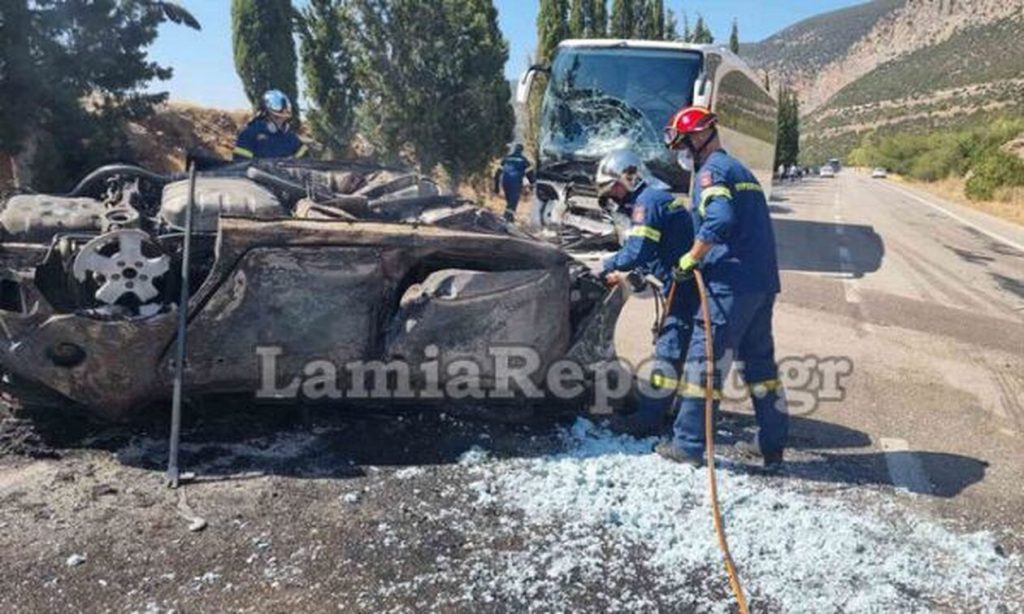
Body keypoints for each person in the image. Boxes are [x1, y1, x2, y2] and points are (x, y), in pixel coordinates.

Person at [659, 106, 788, 471]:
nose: (682, 154)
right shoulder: (740, 170)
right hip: (761, 285)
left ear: (700, 138)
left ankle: (687, 444)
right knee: (761, 368)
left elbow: (720, 219)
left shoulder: (712, 172)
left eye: (683, 145)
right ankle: (771, 445)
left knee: (705, 365)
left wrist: (692, 257)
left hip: (729, 287)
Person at [596, 149, 699, 436]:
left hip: (684, 288)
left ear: (627, 179)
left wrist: (604, 266)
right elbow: (656, 249)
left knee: (670, 348)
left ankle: (650, 419)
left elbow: (637, 251)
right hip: (680, 283)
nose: (614, 196)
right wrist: (637, 274)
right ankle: (670, 409)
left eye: (613, 188)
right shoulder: (655, 199)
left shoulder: (646, 203)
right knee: (678, 347)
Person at [233, 89, 308, 161]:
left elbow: (306, 162)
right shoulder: (249, 134)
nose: (281, 125)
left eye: (284, 120)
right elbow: (240, 165)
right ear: (266, 113)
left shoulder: (290, 137)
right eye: (278, 118)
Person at [493, 144, 533, 221]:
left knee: (509, 201)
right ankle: (507, 217)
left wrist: (496, 186)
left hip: (505, 182)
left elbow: (497, 173)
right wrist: (532, 184)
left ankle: (509, 217)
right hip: (516, 182)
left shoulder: (506, 158)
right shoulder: (523, 160)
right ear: (522, 150)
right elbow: (529, 173)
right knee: (513, 201)